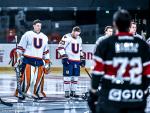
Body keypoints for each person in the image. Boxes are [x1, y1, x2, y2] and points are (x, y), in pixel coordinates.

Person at [88, 9, 150, 113]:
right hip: (135, 99)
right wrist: (144, 91)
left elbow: (97, 73)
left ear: (114, 24)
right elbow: (147, 73)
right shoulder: (142, 44)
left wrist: (93, 94)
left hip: (111, 99)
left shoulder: (105, 44)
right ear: (129, 25)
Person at [11, 19, 51, 100]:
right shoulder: (27, 34)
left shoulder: (44, 37)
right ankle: (21, 93)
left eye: (40, 26)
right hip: (28, 59)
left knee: (38, 79)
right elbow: (20, 48)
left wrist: (47, 61)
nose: (39, 27)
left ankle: (38, 93)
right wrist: (17, 59)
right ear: (33, 26)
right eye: (37, 25)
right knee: (26, 79)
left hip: (39, 61)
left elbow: (45, 51)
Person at [57, 26, 85, 98]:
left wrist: (82, 59)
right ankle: (67, 92)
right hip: (69, 60)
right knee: (67, 77)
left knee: (75, 77)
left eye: (78, 34)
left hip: (76, 61)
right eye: (76, 33)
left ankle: (73, 92)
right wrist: (64, 56)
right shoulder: (66, 37)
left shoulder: (79, 39)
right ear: (73, 31)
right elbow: (60, 47)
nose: (77, 35)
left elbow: (80, 50)